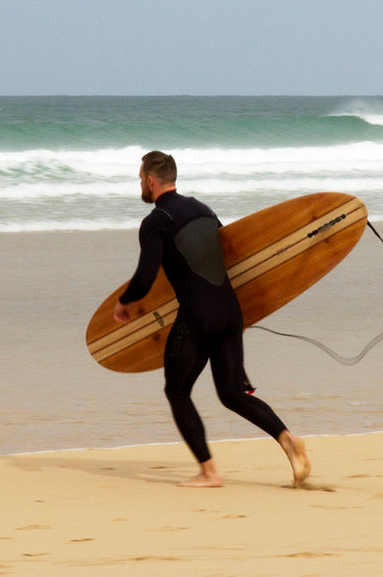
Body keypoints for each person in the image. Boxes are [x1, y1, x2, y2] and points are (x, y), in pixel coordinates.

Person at [114, 151, 310, 488]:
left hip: (197, 318)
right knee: (232, 393)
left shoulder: (156, 221)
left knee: (177, 391)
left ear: (149, 180)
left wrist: (124, 303)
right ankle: (287, 439)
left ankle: (209, 472)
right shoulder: (204, 210)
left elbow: (146, 278)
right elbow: (229, 257)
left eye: (140, 178)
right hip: (230, 313)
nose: (141, 185)